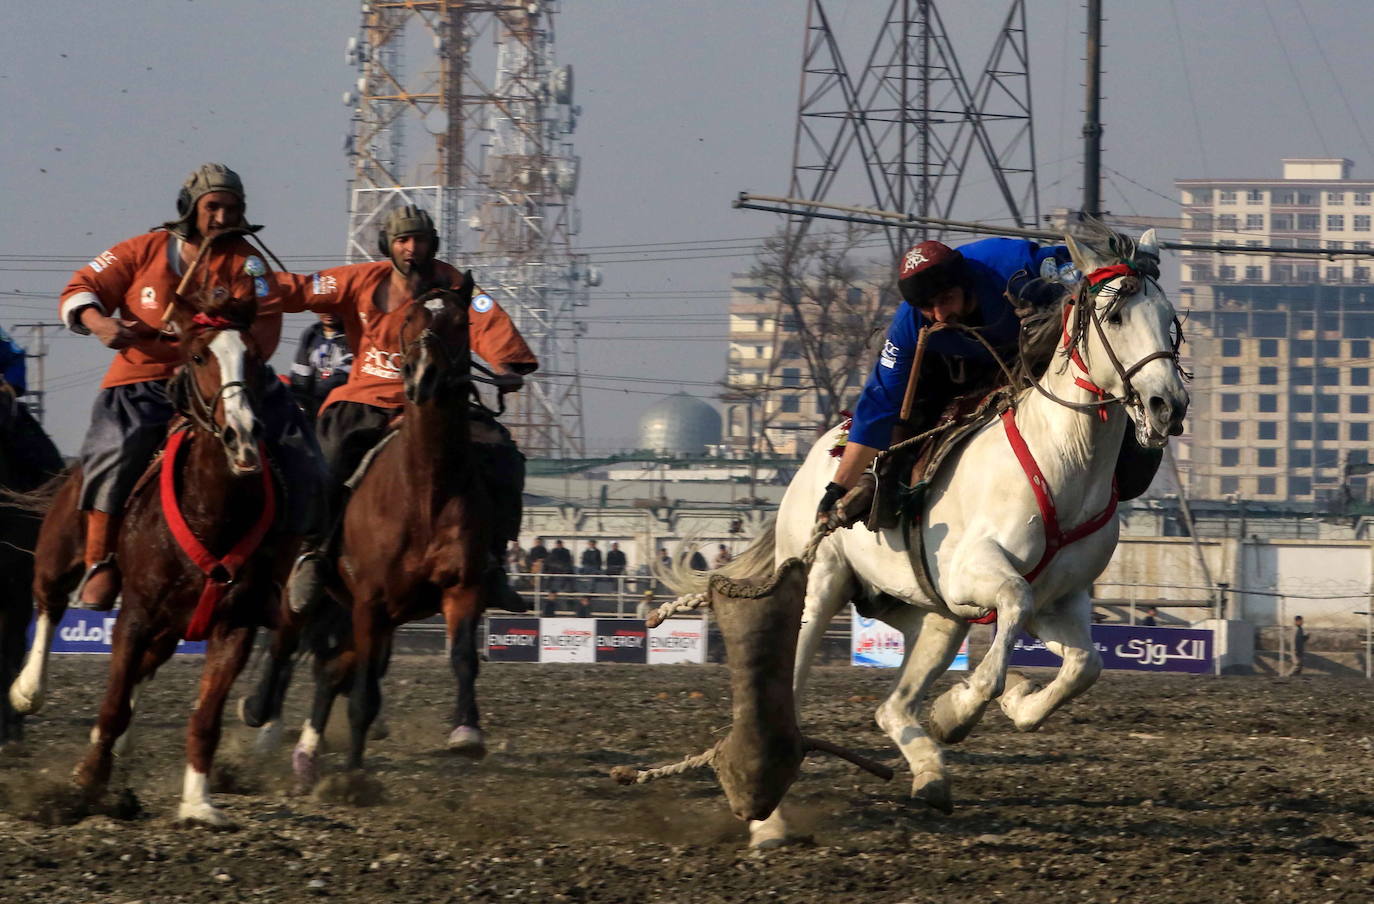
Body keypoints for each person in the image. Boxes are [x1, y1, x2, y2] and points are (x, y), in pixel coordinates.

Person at [59, 163, 329, 610]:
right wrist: (99, 324)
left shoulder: (251, 262)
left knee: (306, 458)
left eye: (233, 208)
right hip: (144, 380)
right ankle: (98, 562)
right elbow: (81, 287)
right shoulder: (140, 250)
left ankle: (287, 568)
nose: (223, 217)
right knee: (112, 451)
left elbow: (264, 323)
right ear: (189, 209)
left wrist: (234, 362)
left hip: (232, 382)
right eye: (213, 207)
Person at [277, 204, 537, 613]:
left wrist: (508, 365)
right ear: (389, 246)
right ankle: (313, 554)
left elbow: (487, 321)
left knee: (504, 458)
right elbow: (300, 288)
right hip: (366, 399)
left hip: (442, 401)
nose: (412, 248)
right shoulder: (359, 279)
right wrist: (251, 283)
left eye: (419, 240)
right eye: (402, 240)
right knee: (325, 459)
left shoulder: (453, 283)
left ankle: (493, 562)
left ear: (433, 244)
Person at [817, 237, 1072, 522]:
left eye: (946, 300)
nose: (939, 315)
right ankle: (880, 478)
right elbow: (878, 402)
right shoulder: (908, 326)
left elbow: (1089, 276)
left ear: (965, 284)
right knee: (902, 411)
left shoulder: (1018, 267)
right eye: (928, 308)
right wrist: (837, 486)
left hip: (1032, 352)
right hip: (947, 366)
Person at [288, 312, 352, 423]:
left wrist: (320, 391)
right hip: (312, 404)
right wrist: (298, 398)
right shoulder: (310, 334)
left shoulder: (354, 334)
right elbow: (300, 371)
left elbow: (347, 371)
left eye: (334, 308)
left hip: (341, 403)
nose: (329, 313)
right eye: (323, 308)